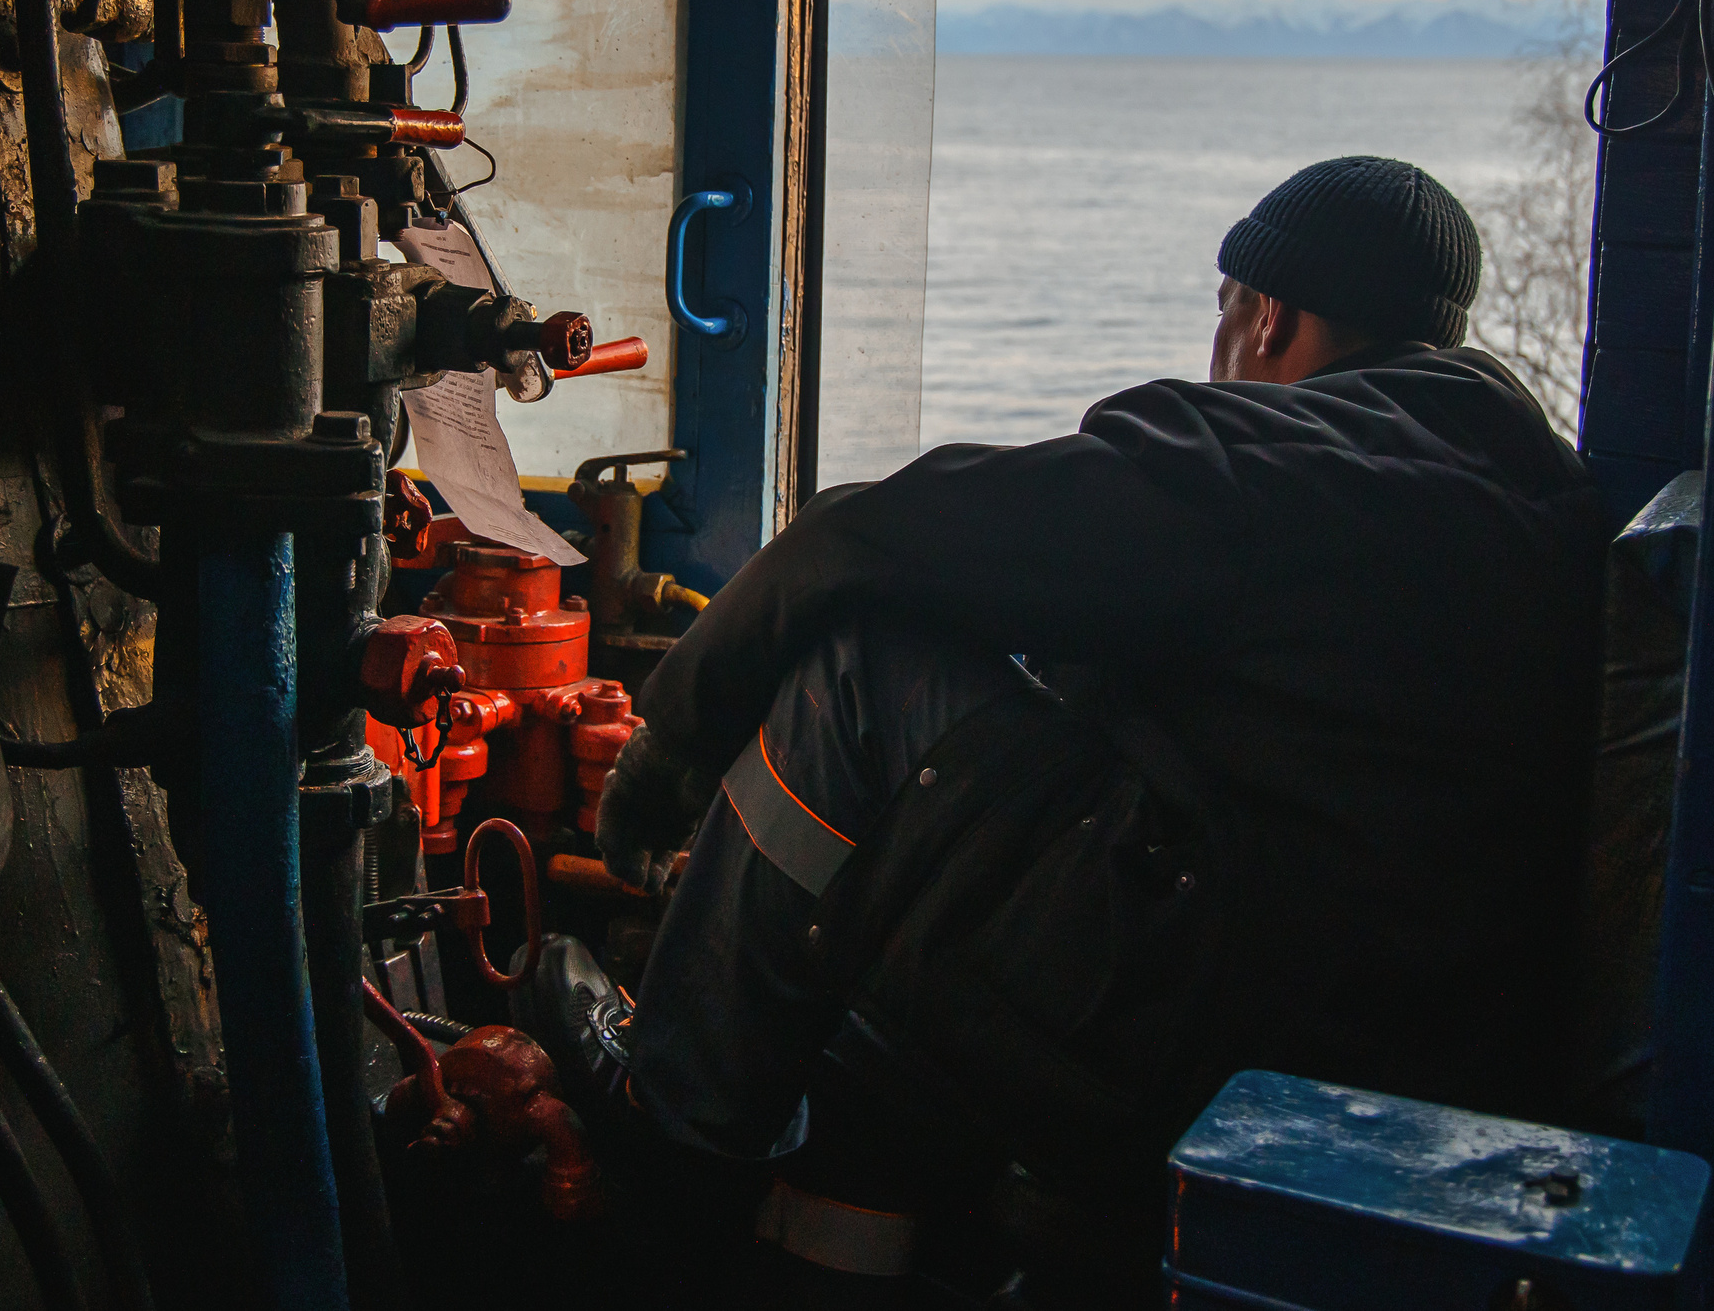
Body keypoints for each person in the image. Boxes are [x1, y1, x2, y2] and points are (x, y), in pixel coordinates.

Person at [577, 156, 1608, 1291]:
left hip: (1224, 1037)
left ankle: (666, 1131)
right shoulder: (1533, 492)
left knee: (861, 669)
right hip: (1419, 1057)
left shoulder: (1264, 471)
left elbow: (847, 539)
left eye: (1225, 314)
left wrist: (661, 766)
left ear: (1266, 317)